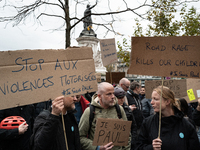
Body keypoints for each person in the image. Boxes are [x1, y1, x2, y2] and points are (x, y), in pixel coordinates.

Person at [135, 86, 200, 150]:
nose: (151, 102)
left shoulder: (186, 124)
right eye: (152, 99)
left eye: (156, 99)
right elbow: (138, 147)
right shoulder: (148, 123)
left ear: (167, 101)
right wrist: (151, 147)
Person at [79, 82, 131, 150]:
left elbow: (127, 135)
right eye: (109, 94)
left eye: (113, 93)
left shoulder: (119, 110)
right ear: (99, 96)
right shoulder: (90, 111)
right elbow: (80, 137)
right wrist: (97, 148)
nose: (113, 97)